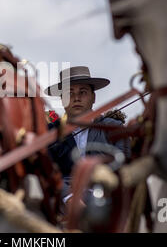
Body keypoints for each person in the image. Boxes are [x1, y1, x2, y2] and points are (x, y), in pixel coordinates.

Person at [44, 66, 129, 205]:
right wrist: (69, 198)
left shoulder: (113, 128)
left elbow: (124, 166)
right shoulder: (51, 133)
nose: (76, 98)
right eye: (69, 93)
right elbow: (49, 173)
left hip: (108, 203)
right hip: (63, 210)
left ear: (93, 97)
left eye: (82, 92)